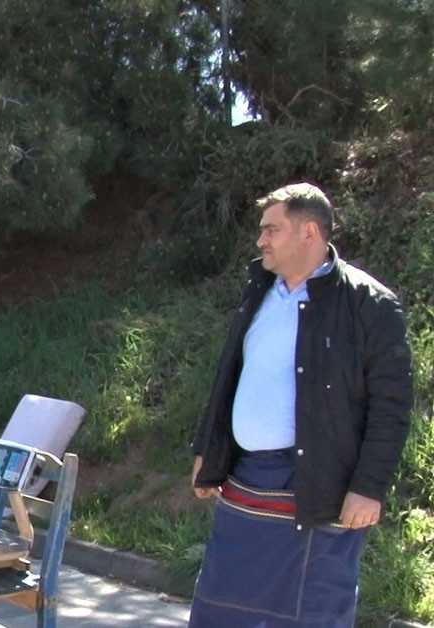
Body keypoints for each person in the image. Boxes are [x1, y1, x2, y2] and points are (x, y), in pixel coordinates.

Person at [188, 182, 413, 627]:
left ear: (309, 231)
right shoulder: (259, 291)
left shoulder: (368, 304)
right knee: (220, 613)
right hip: (246, 482)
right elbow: (229, 377)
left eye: (271, 230)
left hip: (317, 489)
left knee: (312, 616)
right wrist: (206, 450)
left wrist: (368, 487)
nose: (260, 241)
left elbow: (392, 405)